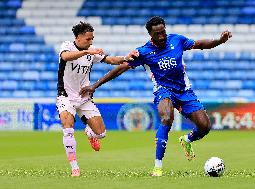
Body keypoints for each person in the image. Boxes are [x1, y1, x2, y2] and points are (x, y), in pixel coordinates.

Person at [79, 16, 232, 177]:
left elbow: (200, 44)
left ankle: (186, 140)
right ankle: (157, 167)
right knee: (166, 118)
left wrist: (220, 41)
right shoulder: (144, 52)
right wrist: (95, 85)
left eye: (163, 32)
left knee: (205, 126)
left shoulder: (177, 40)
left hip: (184, 91)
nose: (161, 36)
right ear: (150, 35)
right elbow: (121, 68)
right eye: (157, 34)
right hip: (163, 90)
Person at [56, 21, 137, 177]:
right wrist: (88, 52)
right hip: (65, 96)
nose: (91, 42)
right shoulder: (67, 46)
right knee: (68, 129)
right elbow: (66, 57)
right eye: (88, 39)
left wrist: (126, 57)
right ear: (78, 38)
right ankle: (75, 168)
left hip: (84, 97)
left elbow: (111, 60)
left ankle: (90, 132)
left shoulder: (91, 51)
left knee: (101, 133)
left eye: (92, 38)